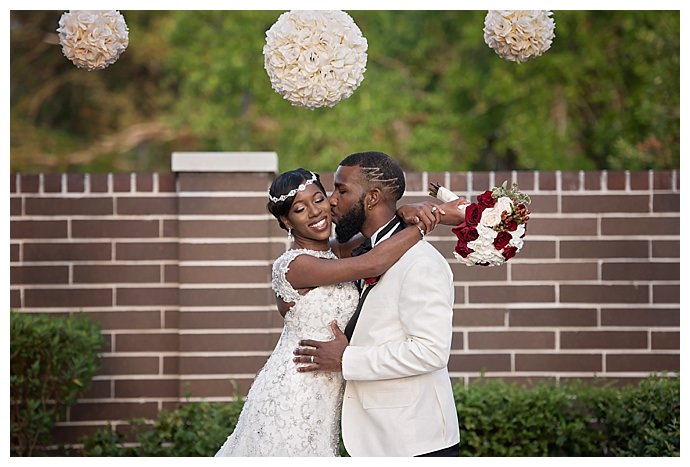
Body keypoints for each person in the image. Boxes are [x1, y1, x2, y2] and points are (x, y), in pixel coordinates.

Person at [215, 168, 436, 457]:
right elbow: (372, 263)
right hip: (296, 391)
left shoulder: (336, 253)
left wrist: (410, 210)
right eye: (299, 208)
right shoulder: (295, 266)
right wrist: (423, 227)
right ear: (285, 220)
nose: (314, 212)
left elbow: (383, 234)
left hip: (326, 393)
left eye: (318, 200)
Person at [293, 151, 464, 457]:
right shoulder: (359, 251)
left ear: (371, 199)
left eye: (342, 190)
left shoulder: (421, 262)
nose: (331, 200)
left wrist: (347, 359)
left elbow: (431, 351)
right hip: (373, 439)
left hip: (413, 441)